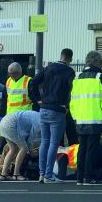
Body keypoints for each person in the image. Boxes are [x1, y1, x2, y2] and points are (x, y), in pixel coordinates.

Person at [30, 48, 75, 183]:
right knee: (54, 144)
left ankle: (42, 173)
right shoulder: (69, 72)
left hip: (44, 108)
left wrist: (37, 99)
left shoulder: (48, 68)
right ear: (70, 59)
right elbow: (69, 90)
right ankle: (49, 175)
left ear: (60, 56)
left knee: (45, 141)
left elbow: (33, 82)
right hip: (57, 109)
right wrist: (66, 106)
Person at [69, 51, 102, 185]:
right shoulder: (100, 77)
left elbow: (73, 101)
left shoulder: (77, 78)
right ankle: (89, 177)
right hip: (95, 119)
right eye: (101, 62)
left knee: (82, 149)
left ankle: (79, 178)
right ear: (95, 62)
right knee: (91, 149)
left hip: (80, 119)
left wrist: (75, 117)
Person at [0, 110, 41, 181]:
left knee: (13, 149)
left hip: (4, 121)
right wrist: (30, 151)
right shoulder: (40, 122)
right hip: (11, 123)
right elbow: (31, 139)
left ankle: (3, 174)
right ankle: (16, 174)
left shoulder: (37, 115)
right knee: (23, 148)